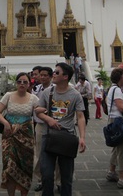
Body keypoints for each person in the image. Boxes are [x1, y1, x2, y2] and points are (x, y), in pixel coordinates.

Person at [35, 62, 86, 196]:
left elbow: (80, 117)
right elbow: (38, 111)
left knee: (66, 177)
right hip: (49, 135)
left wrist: (82, 137)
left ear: (65, 76)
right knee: (46, 174)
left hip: (67, 137)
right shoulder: (47, 92)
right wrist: (49, 119)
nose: (54, 74)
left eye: (57, 72)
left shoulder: (75, 95)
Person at [0, 72, 39, 196]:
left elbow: (40, 113)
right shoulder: (8, 95)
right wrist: (6, 123)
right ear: (16, 83)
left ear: (29, 84)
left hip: (26, 135)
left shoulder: (34, 99)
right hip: (9, 135)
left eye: (25, 82)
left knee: (26, 165)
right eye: (19, 81)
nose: (22, 84)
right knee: (9, 166)